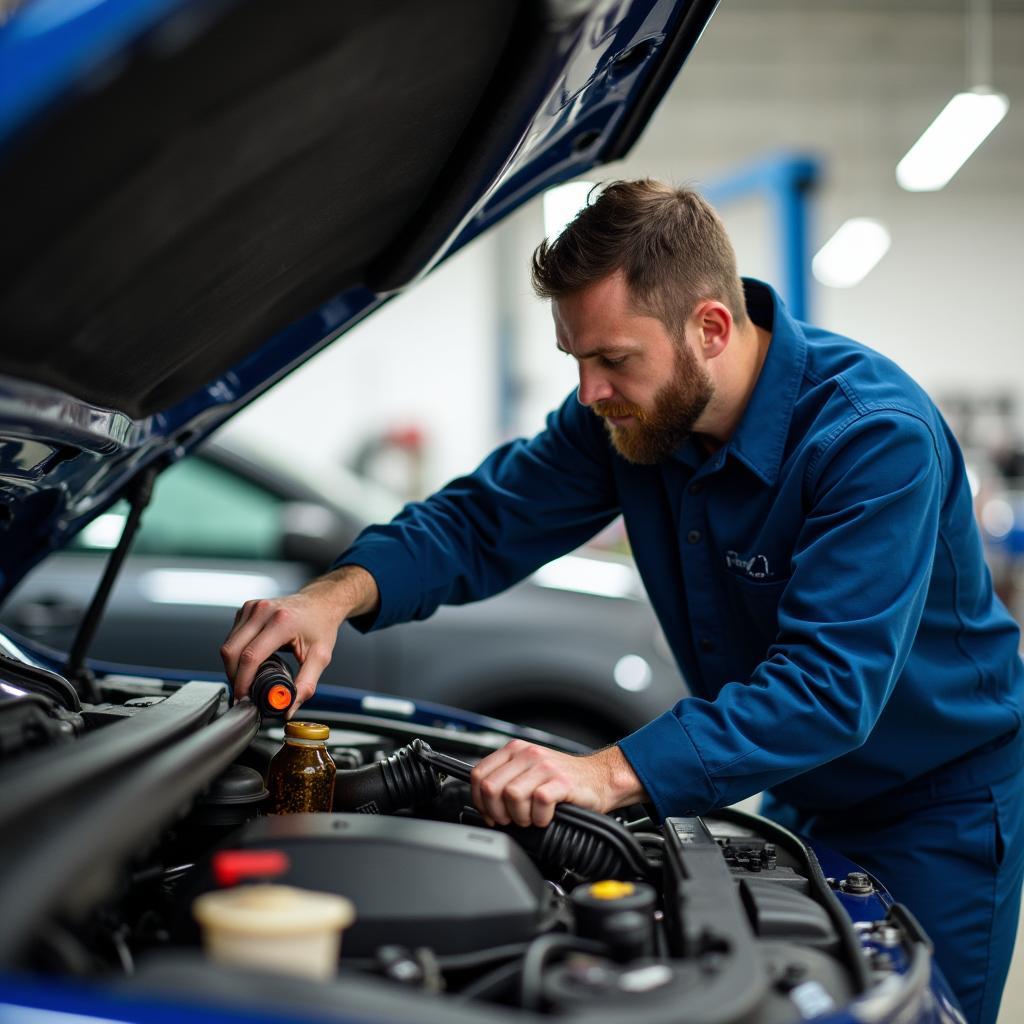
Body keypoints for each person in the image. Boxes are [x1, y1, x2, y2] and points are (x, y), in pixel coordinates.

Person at [222, 180, 1024, 1024]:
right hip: (808, 784)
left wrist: (605, 773)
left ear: (710, 328)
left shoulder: (868, 437)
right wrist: (334, 597)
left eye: (611, 358)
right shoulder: (632, 420)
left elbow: (828, 686)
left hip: (939, 807)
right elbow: (483, 520)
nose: (589, 390)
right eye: (577, 358)